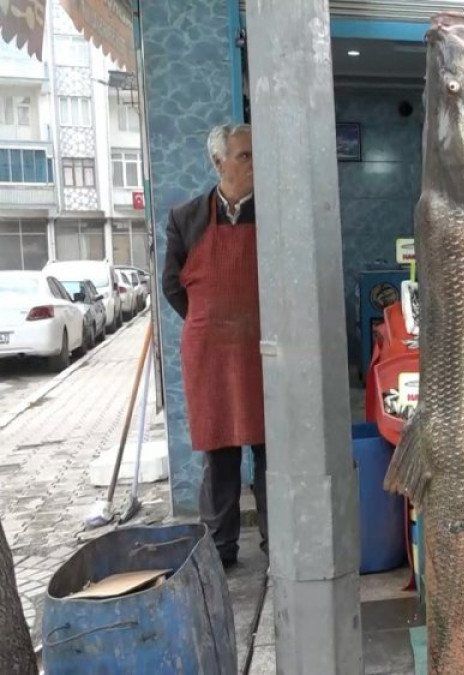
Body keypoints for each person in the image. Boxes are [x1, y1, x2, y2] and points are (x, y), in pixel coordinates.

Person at [162, 124, 267, 569]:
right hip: (210, 354)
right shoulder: (186, 218)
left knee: (270, 451)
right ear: (218, 162)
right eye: (244, 155)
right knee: (219, 456)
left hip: (264, 349)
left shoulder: (273, 212)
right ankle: (220, 551)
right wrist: (211, 320)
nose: (253, 163)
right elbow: (171, 285)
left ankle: (278, 545)